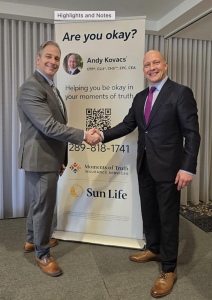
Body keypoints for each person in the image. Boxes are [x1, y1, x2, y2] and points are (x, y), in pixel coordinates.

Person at [92, 50, 200, 297]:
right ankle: (153, 248)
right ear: (143, 69)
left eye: (155, 63)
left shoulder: (181, 93)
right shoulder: (141, 97)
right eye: (147, 65)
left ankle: (169, 269)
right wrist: (102, 136)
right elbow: (128, 124)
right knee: (149, 212)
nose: (151, 68)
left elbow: (192, 133)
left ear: (165, 65)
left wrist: (187, 167)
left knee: (168, 217)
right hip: (144, 165)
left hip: (171, 169)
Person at [17, 40, 100, 277]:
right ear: (38, 58)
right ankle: (42, 255)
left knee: (39, 202)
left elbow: (55, 125)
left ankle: (32, 240)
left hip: (48, 156)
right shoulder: (31, 87)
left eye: (56, 58)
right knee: (44, 206)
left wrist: (61, 157)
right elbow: (49, 126)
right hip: (39, 158)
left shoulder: (49, 85)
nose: (53, 61)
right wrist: (84, 135)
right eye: (48, 57)